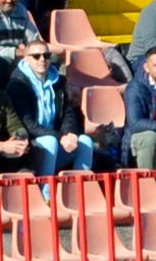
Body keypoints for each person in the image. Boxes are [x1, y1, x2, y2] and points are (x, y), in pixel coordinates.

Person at [6, 44, 95, 175]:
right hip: (30, 146)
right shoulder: (17, 86)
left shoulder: (60, 82)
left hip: (55, 140)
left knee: (85, 142)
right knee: (50, 141)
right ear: (26, 59)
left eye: (46, 56)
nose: (42, 59)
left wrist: (69, 133)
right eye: (36, 56)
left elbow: (68, 113)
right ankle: (46, 193)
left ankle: (80, 189)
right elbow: (29, 125)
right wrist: (60, 137)